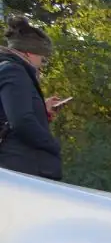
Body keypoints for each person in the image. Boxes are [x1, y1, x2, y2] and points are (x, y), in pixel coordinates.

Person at [0, 16, 63, 181]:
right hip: (20, 167)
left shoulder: (12, 71)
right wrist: (51, 144)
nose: (42, 64)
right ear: (29, 53)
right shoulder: (14, 71)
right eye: (43, 59)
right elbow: (21, 120)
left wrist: (42, 108)